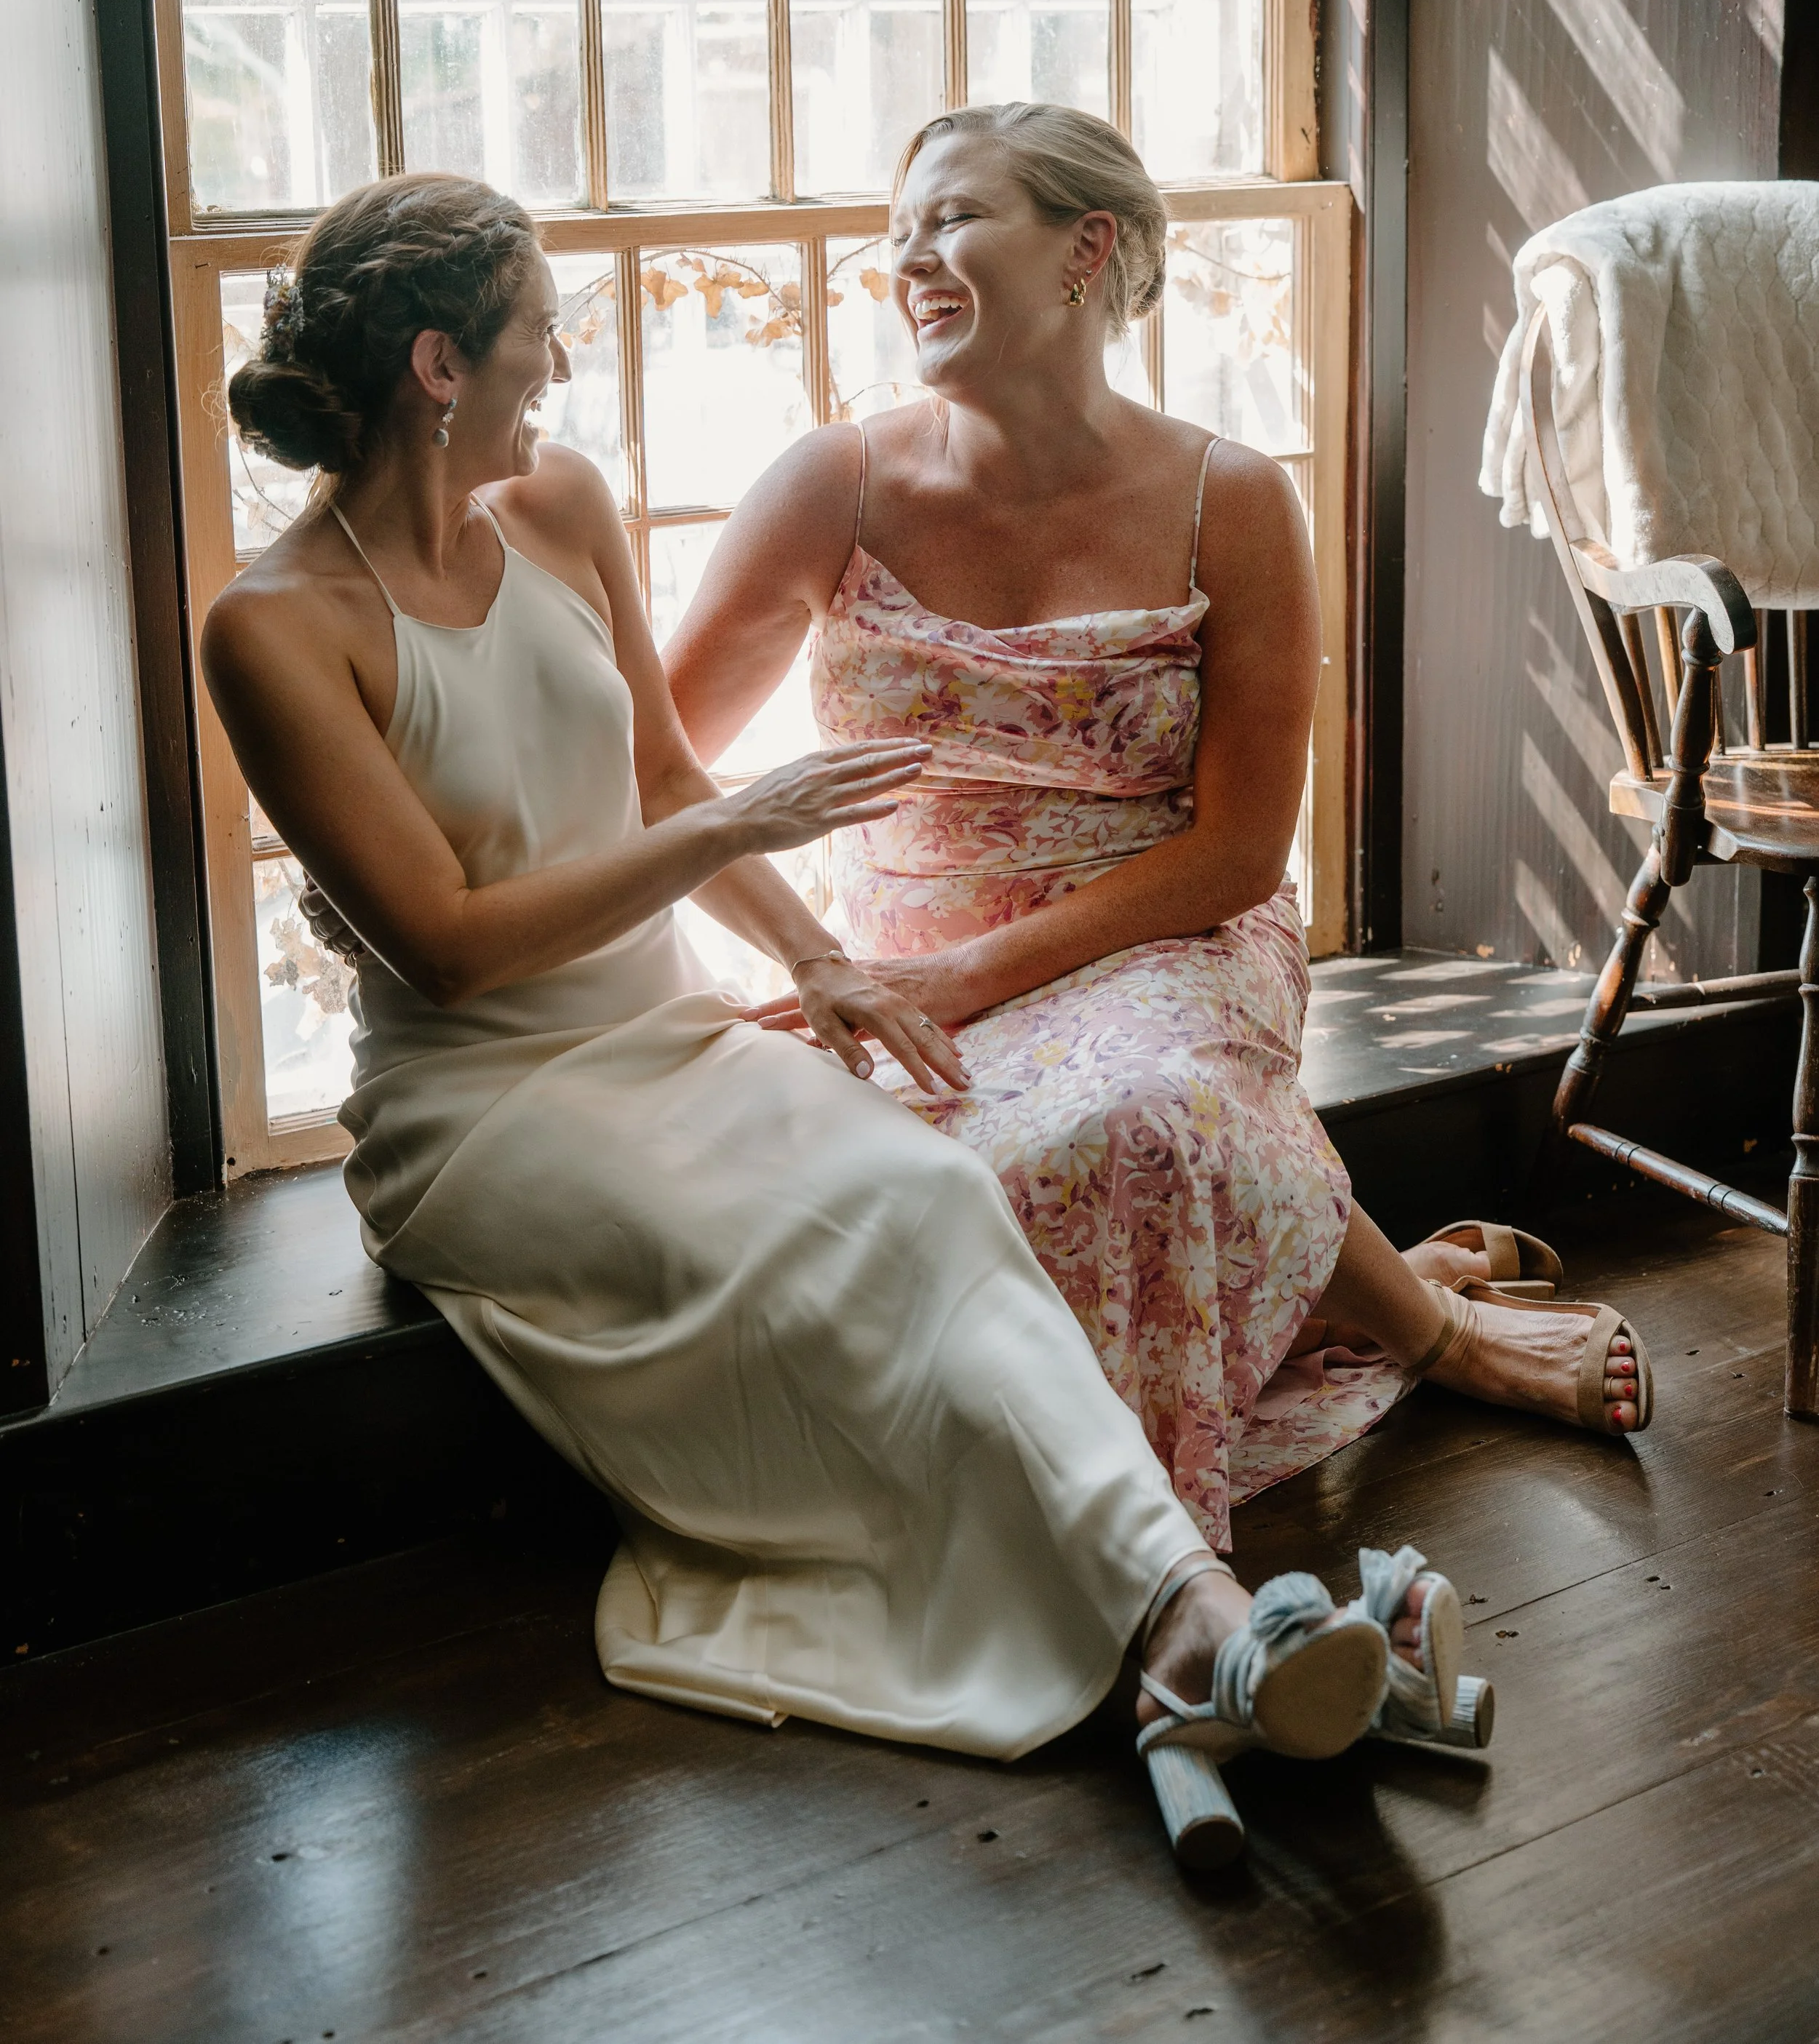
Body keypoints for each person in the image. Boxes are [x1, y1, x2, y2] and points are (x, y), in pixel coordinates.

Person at [200, 169, 1489, 1874]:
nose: (561, 370)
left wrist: (817, 963)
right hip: (487, 1111)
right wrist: (734, 832)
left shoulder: (561, 507)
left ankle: (1195, 1609)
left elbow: (662, 771)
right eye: (534, 338)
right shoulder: (273, 626)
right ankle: (1177, 1647)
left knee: (931, 1197)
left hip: (666, 1040)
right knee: (808, 1274)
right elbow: (448, 952)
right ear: (440, 367)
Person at [663, 100, 1654, 1558]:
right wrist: (816, 961)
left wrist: (967, 984)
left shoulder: (1231, 501)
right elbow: (661, 763)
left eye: (951, 219)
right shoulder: (837, 484)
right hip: (899, 950)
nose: (909, 260)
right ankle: (1398, 1299)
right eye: (895, 236)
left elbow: (1237, 854)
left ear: (1088, 248)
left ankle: (1430, 1350)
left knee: (1136, 1116)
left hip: (1165, 927)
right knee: (961, 1183)